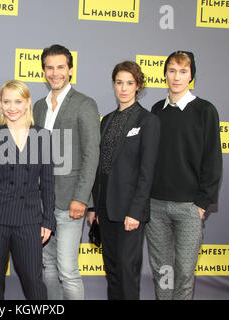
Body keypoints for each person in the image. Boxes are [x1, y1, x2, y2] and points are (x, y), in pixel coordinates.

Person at [146, 51, 222, 300]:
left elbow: (212, 160)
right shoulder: (157, 109)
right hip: (155, 207)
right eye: (172, 70)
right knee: (163, 272)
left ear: (191, 76)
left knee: (185, 273)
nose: (176, 77)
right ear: (165, 74)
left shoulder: (205, 110)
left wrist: (201, 204)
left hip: (190, 207)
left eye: (183, 71)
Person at [0, 80, 55, 300]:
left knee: (33, 280)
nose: (12, 107)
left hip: (29, 218)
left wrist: (48, 219)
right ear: (0, 103)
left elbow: (47, 182)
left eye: (18, 101)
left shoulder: (43, 136)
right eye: (6, 101)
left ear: (27, 103)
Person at [87, 61, 160, 300]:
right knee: (113, 271)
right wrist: (94, 207)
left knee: (128, 273)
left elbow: (146, 171)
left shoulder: (147, 121)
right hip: (106, 209)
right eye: (119, 83)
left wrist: (136, 212)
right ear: (114, 85)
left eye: (129, 83)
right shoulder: (106, 120)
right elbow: (98, 167)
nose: (124, 88)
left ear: (138, 86)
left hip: (130, 211)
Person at [33, 44, 100, 300]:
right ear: (44, 71)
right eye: (49, 67)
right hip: (41, 202)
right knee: (48, 267)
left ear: (70, 70)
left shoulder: (84, 104)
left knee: (68, 270)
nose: (55, 73)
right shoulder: (38, 106)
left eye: (60, 67)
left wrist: (82, 198)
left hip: (70, 201)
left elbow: (91, 154)